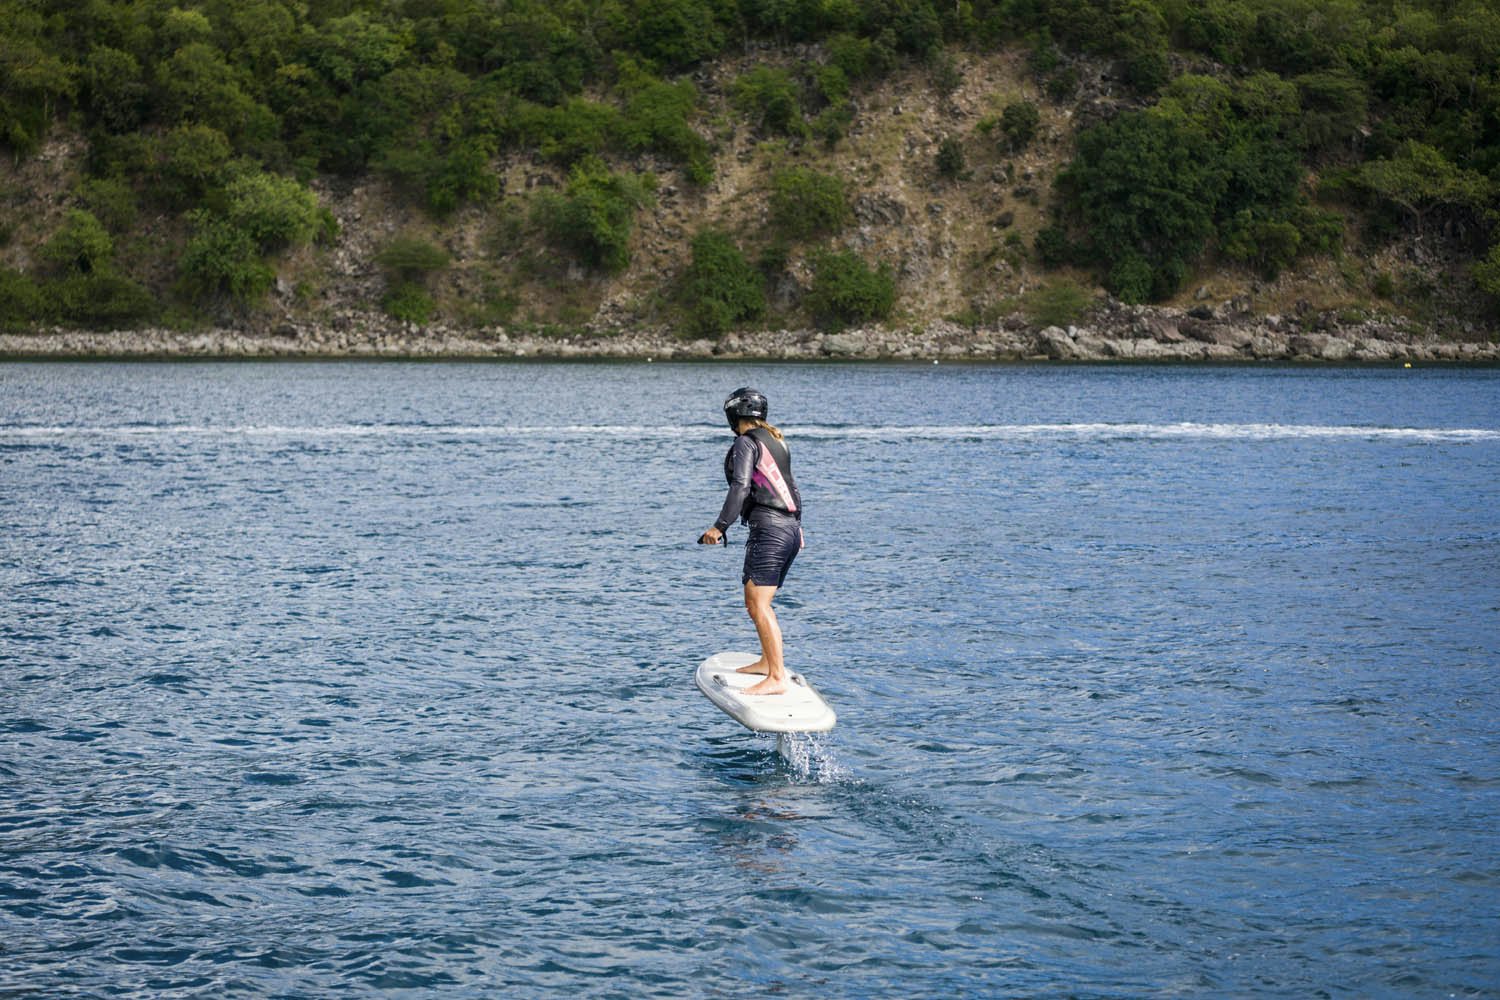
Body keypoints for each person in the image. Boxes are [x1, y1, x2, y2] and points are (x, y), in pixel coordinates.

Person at [698, 387, 804, 696]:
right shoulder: (776, 442)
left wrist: (720, 526)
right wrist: (798, 528)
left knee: (758, 605)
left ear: (734, 414)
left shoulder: (746, 443)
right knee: (758, 603)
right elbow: (790, 486)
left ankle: (776, 676)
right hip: (788, 529)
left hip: (770, 530)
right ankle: (766, 662)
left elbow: (741, 487)